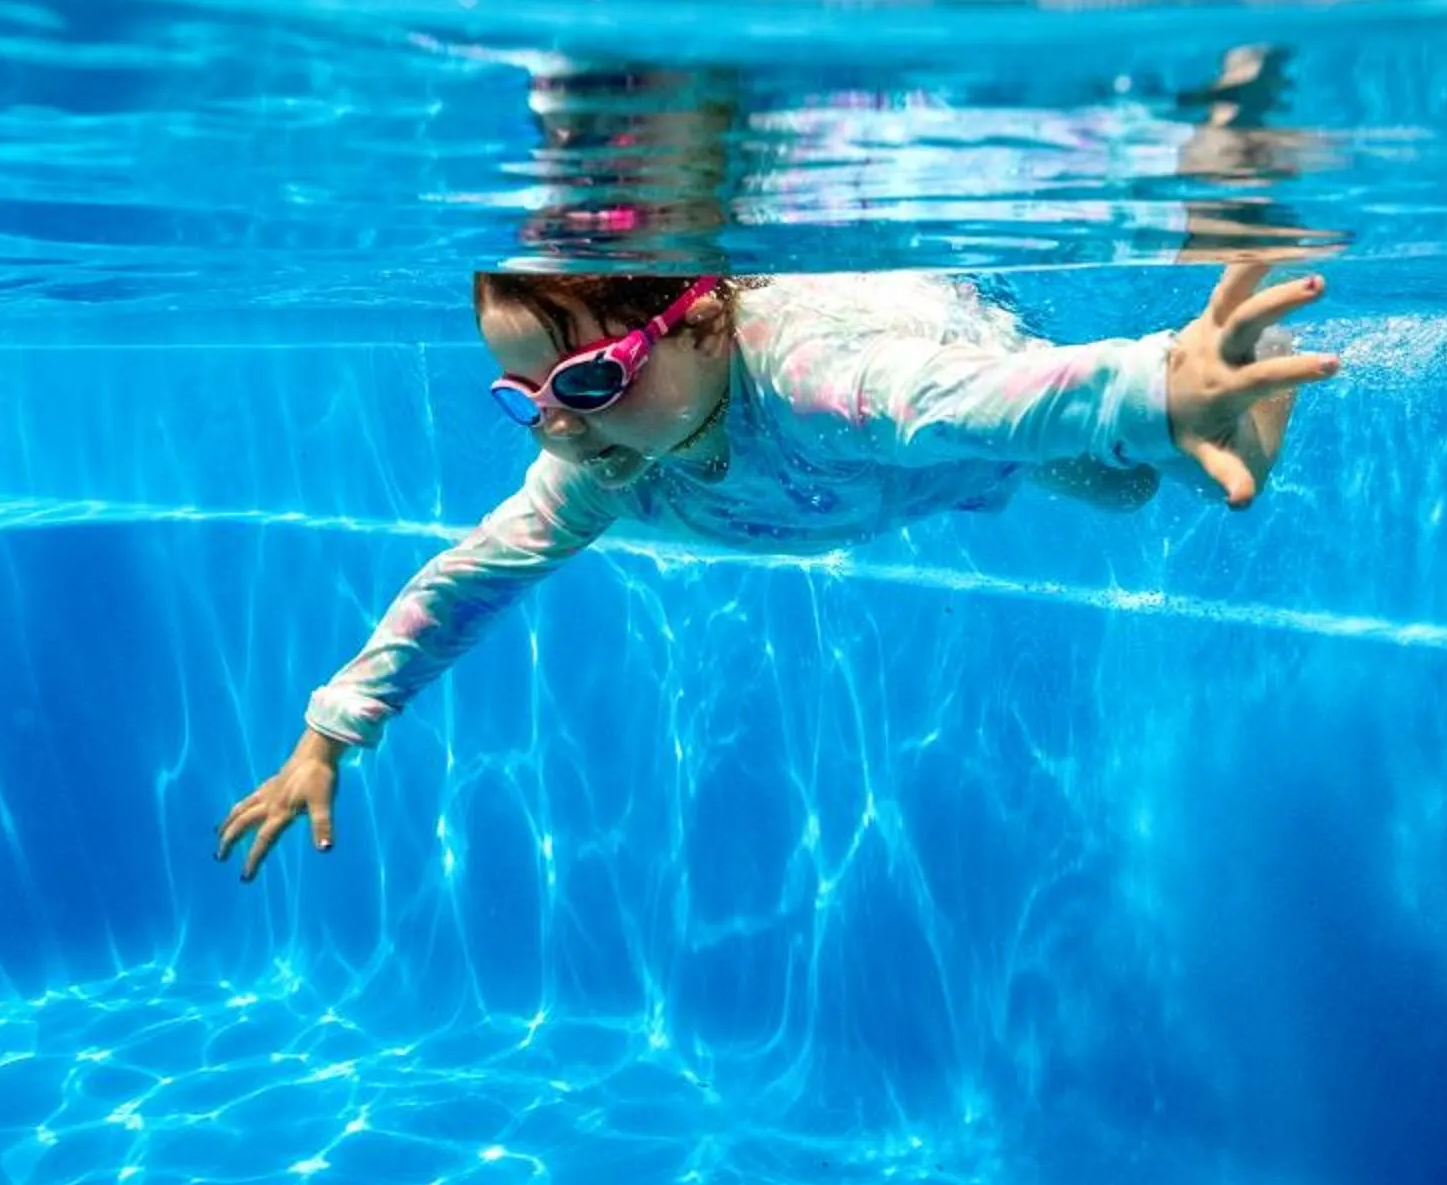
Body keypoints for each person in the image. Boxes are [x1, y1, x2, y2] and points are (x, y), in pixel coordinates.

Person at [214, 260, 1335, 880]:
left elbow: (963, 400)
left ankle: (1240, 343)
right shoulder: (603, 466)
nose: (557, 423)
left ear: (703, 317)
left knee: (1185, 467)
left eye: (589, 379)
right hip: (933, 479)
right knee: (1121, 489)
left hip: (966, 399)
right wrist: (329, 733)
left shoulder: (809, 377)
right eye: (525, 396)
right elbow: (468, 581)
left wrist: (1149, 385)